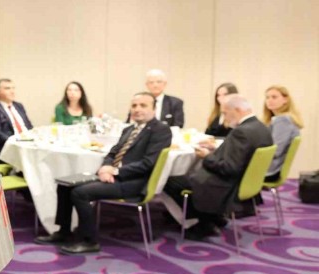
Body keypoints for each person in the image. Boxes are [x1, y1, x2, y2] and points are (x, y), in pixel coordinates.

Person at [35, 92, 172, 254]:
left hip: (134, 182)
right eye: (134, 105)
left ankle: (89, 240)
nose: (137, 109)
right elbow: (112, 153)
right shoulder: (129, 129)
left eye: (143, 105)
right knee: (65, 185)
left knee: (80, 193)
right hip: (115, 176)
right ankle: (64, 232)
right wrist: (105, 168)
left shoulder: (160, 130)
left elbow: (148, 164)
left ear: (154, 109)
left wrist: (116, 171)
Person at [163, 94, 273, 241]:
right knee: (184, 178)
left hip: (227, 185)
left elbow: (229, 168)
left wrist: (206, 156)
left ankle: (198, 224)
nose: (224, 117)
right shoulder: (260, 128)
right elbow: (241, 154)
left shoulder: (241, 132)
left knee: (169, 181)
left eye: (225, 113)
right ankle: (213, 217)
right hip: (245, 182)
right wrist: (216, 148)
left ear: (238, 110)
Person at [0, 78, 33, 164]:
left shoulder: (19, 106)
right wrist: (17, 141)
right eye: (7, 88)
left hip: (26, 145)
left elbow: (29, 126)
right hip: (6, 150)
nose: (12, 91)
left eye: (13, 88)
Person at [262, 85, 303, 181]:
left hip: (269, 171)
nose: (269, 100)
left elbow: (275, 151)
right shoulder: (283, 119)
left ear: (285, 100)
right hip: (272, 168)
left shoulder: (282, 120)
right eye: (267, 97)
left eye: (274, 97)